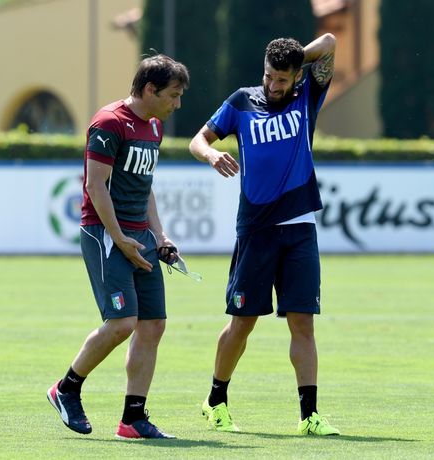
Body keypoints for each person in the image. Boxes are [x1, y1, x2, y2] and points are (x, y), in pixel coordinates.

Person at [188, 34, 340, 436]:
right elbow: (197, 139)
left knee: (303, 324)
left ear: (295, 77)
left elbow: (328, 42)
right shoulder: (241, 102)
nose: (275, 86)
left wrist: (296, 59)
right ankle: (215, 399)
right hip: (256, 229)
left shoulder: (307, 96)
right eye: (270, 76)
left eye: (283, 79)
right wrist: (212, 154)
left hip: (300, 227)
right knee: (243, 323)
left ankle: (310, 416)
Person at [47, 54, 189, 439]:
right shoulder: (110, 123)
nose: (177, 104)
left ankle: (133, 419)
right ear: (149, 89)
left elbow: (144, 188)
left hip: (138, 236)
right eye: (173, 95)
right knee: (123, 323)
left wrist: (159, 236)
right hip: (105, 234)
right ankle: (66, 389)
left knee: (153, 324)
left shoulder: (154, 127)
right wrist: (121, 240)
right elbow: (95, 187)